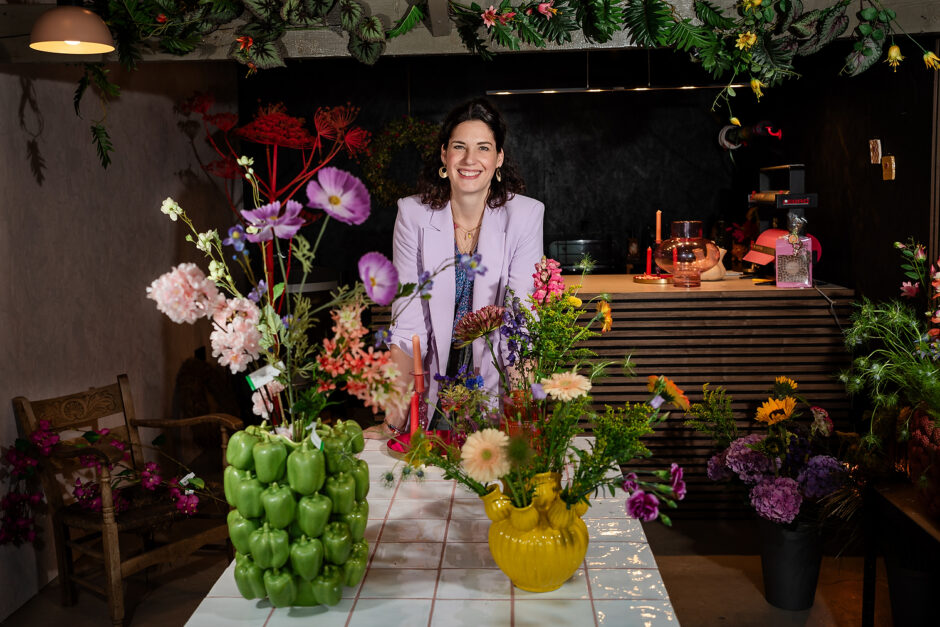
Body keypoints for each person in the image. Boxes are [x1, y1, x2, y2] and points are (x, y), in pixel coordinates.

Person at [366, 98, 544, 438]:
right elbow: (407, 328)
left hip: (495, 393)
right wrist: (392, 423)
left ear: (498, 159)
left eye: (483, 148)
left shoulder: (525, 216)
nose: (470, 159)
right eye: (459, 147)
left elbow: (521, 326)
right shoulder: (413, 216)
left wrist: (524, 419)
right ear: (444, 155)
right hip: (433, 394)